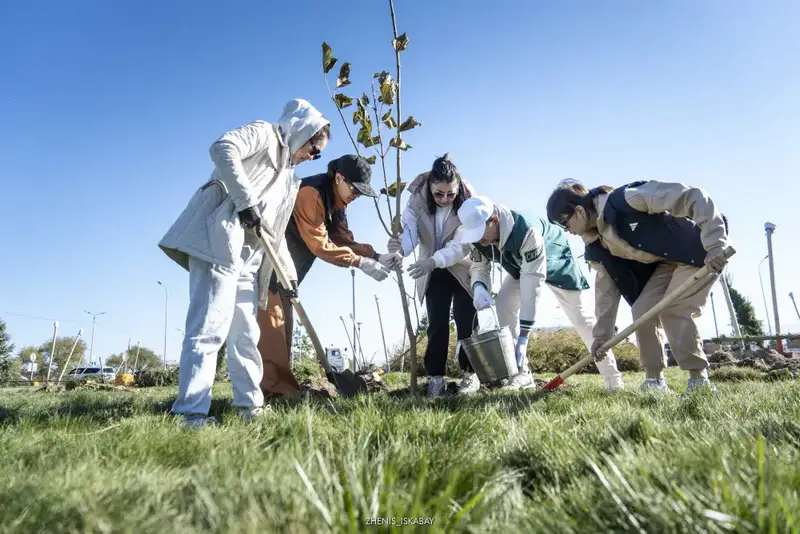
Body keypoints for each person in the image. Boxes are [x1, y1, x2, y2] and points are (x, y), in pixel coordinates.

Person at [159, 99, 330, 427]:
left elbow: (274, 234)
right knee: (209, 328)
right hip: (219, 243)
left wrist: (290, 277)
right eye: (314, 147)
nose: (315, 156)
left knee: (245, 335)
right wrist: (245, 200)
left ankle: (250, 408)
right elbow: (222, 148)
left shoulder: (290, 179)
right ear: (301, 130)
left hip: (248, 261)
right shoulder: (265, 134)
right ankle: (190, 415)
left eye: (318, 152)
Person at [545, 179, 729, 392]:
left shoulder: (629, 199)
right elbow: (606, 290)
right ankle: (655, 382)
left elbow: (693, 195)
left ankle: (699, 382)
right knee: (642, 311)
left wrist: (716, 243)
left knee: (674, 309)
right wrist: (601, 336)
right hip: (668, 262)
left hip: (700, 252)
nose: (566, 230)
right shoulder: (596, 243)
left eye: (564, 222)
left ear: (579, 211)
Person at [258, 155, 398, 397]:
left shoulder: (339, 202)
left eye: (361, 192)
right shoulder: (311, 194)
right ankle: (270, 395)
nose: (357, 195)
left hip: (288, 279)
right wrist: (359, 262)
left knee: (285, 334)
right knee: (273, 333)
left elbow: (342, 238)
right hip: (270, 271)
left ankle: (283, 394)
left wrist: (376, 256)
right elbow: (320, 244)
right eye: (355, 189)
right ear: (339, 177)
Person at [451, 195, 625, 391]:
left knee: (583, 320)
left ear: (495, 220)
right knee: (503, 307)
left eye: (480, 232)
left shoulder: (526, 231)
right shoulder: (479, 238)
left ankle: (613, 380)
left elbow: (531, 286)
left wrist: (524, 335)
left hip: (556, 263)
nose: (478, 239)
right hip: (520, 266)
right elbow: (478, 267)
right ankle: (522, 375)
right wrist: (479, 287)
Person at [387, 154, 479, 396]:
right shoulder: (416, 201)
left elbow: (462, 245)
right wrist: (401, 250)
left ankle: (471, 374)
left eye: (450, 193)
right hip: (432, 271)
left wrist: (433, 260)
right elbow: (409, 233)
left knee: (466, 320)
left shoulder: (468, 201)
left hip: (462, 266)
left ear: (458, 187)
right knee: (436, 324)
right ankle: (436, 377)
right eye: (439, 194)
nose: (445, 199)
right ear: (430, 187)